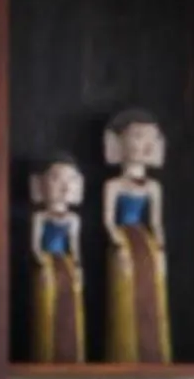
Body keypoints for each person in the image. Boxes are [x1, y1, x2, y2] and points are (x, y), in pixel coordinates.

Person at [102, 108, 172, 363]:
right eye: (137, 137)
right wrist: (117, 240)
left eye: (149, 138)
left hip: (145, 241)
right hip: (122, 241)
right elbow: (108, 220)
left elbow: (156, 222)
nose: (143, 145)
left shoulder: (154, 187)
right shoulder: (113, 185)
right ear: (119, 143)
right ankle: (125, 350)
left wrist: (160, 245)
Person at [29, 155, 86, 363]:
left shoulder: (73, 219)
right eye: (56, 179)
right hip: (47, 263)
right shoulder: (40, 217)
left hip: (65, 263)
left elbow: (74, 246)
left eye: (69, 180)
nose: (63, 187)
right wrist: (40, 259)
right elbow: (35, 245)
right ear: (39, 184)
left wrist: (78, 266)